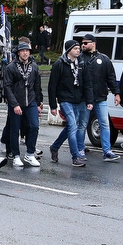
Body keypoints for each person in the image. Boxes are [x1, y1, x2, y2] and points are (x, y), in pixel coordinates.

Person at [48, 39, 94, 167]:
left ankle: (55, 147)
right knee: (73, 126)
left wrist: (89, 100)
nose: (78, 50)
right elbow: (52, 86)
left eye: (79, 49)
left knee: (70, 127)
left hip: (78, 100)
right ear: (68, 50)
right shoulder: (60, 64)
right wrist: (53, 105)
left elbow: (87, 83)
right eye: (75, 49)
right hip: (65, 100)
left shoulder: (82, 64)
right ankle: (75, 157)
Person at [78, 33, 121, 161]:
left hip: (100, 97)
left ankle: (107, 151)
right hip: (84, 98)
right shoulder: (79, 58)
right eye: (82, 43)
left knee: (105, 124)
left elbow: (111, 78)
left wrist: (116, 93)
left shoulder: (104, 59)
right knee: (83, 124)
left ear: (93, 43)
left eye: (86, 43)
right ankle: (80, 149)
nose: (83, 45)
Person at [1, 41, 43, 168]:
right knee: (15, 129)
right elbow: (7, 87)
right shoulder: (11, 67)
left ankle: (30, 153)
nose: (25, 53)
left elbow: (37, 85)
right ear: (18, 52)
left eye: (27, 51)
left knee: (34, 126)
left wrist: (39, 102)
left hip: (30, 101)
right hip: (16, 102)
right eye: (23, 51)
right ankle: (16, 155)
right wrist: (14, 104)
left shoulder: (34, 66)